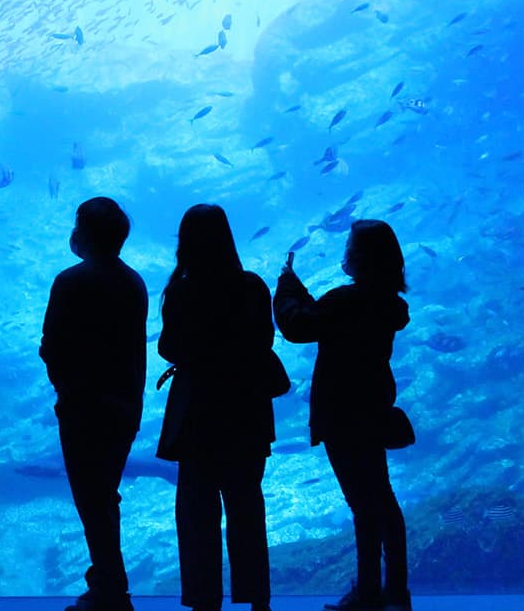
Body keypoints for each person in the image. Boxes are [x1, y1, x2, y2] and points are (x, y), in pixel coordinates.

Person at [274, 220, 411, 611]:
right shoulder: (383, 302)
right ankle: (392, 591)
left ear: (361, 257)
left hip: (342, 412)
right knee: (380, 499)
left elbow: (298, 325)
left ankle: (372, 593)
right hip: (372, 406)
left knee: (365, 504)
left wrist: (285, 285)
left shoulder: (347, 301)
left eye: (350, 245)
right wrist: (297, 287)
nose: (345, 251)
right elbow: (321, 314)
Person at [155, 204, 277, 611]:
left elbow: (169, 346)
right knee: (246, 507)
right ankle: (257, 599)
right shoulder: (253, 287)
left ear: (184, 244)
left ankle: (205, 600)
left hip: (199, 415)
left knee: (197, 514)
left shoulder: (182, 291)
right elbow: (265, 342)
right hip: (247, 412)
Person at [41, 196, 148, 611]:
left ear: (84, 234)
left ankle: (110, 589)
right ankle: (107, 582)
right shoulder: (134, 282)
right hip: (124, 408)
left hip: (83, 409)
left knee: (92, 498)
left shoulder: (70, 281)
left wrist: (66, 388)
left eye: (77, 225)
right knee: (103, 493)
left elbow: (52, 346)